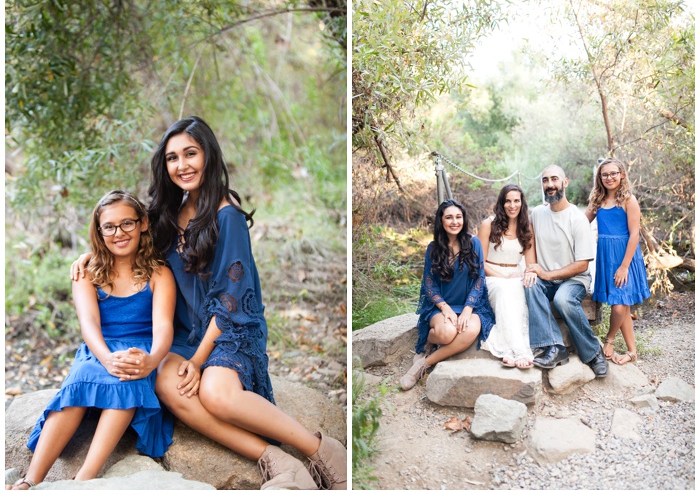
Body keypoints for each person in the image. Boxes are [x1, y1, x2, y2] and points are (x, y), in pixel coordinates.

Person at [72, 117, 345, 490]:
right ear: (163, 166)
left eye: (190, 154)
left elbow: (230, 300)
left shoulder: (227, 215)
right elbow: (123, 231)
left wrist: (198, 362)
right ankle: (275, 459)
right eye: (172, 158)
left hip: (229, 331)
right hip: (183, 333)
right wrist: (92, 254)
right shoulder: (166, 213)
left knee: (215, 393)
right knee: (168, 386)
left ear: (208, 155)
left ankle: (319, 449)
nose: (182, 165)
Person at [7, 191, 175, 490]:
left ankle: (86, 476)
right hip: (100, 346)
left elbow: (163, 326)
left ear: (143, 224)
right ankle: (32, 478)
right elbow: (89, 325)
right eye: (108, 227)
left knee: (128, 378)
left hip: (141, 347)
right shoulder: (87, 272)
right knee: (79, 381)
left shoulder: (158, 273)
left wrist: (151, 360)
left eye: (127, 224)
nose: (119, 233)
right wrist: (106, 357)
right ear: (99, 231)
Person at [400, 199, 495, 391]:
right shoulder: (433, 248)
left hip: (472, 305)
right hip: (441, 305)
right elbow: (428, 283)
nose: (454, 222)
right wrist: (445, 308)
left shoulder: (473, 243)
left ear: (464, 219)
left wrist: (468, 309)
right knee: (447, 333)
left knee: (469, 330)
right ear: (441, 221)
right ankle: (430, 338)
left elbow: (479, 278)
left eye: (458, 217)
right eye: (449, 217)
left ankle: (423, 364)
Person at [523, 165, 608, 378]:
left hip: (574, 279)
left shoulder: (577, 219)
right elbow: (529, 243)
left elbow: (582, 265)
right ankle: (554, 348)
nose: (550, 184)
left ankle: (592, 353)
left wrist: (547, 274)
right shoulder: (537, 214)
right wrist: (533, 269)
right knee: (530, 285)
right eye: (545, 180)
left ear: (565, 182)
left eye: (554, 179)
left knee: (562, 299)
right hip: (545, 278)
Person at [585, 158, 650, 365]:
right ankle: (632, 352)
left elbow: (634, 235)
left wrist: (624, 266)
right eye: (605, 174)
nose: (609, 177)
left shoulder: (628, 200)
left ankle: (609, 339)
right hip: (606, 256)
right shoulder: (598, 200)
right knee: (623, 304)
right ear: (600, 178)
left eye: (613, 173)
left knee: (620, 305)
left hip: (625, 258)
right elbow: (580, 222)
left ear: (622, 174)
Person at [477, 184, 537, 369]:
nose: (512, 205)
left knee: (519, 288)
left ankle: (519, 348)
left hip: (514, 275)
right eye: (508, 201)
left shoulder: (526, 228)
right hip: (491, 275)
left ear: (522, 203)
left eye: (516, 201)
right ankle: (512, 350)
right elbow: (479, 262)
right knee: (504, 289)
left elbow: (531, 264)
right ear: (502, 204)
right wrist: (502, 277)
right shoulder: (489, 225)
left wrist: (527, 273)